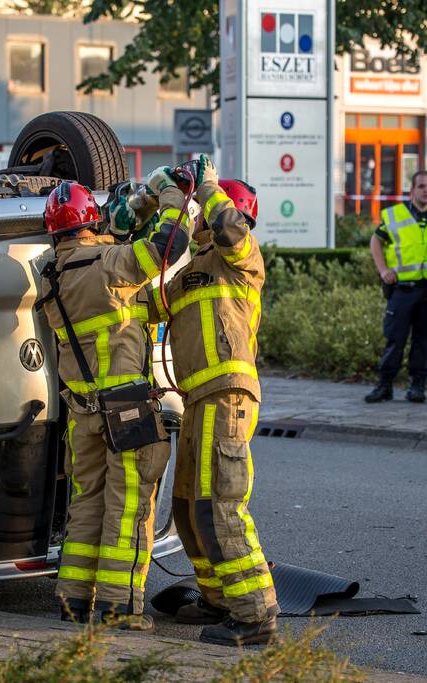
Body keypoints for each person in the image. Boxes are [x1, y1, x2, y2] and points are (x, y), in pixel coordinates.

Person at [39, 177, 189, 631]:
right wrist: (170, 195)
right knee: (129, 508)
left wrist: (122, 225)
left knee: (86, 505)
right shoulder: (110, 264)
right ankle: (120, 608)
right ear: (91, 223)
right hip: (127, 410)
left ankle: (73, 601)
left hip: (82, 412)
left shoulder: (50, 272)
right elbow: (170, 243)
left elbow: (126, 305)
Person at [145, 157, 279, 647]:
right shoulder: (191, 272)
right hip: (196, 400)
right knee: (185, 508)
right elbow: (141, 299)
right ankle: (218, 599)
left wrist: (206, 188)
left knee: (217, 505)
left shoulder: (241, 260)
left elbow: (227, 229)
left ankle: (254, 615)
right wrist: (154, 208)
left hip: (227, 397)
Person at [364, 171, 427, 404]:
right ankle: (384, 386)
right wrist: (383, 271)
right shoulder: (396, 215)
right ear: (412, 190)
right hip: (403, 289)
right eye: (421, 186)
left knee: (424, 341)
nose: (426, 190)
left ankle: (417, 386)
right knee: (395, 339)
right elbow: (376, 240)